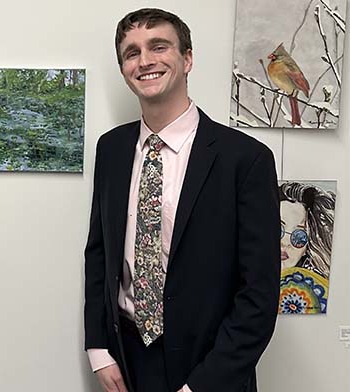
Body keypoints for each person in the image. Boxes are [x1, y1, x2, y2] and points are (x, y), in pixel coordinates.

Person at [84, 8, 280, 392]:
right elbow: (99, 253)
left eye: (159, 47)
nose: (145, 61)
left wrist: (204, 385)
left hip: (210, 367)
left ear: (187, 58)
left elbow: (258, 294)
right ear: (124, 69)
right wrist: (98, 348)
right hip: (126, 358)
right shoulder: (111, 150)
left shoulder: (246, 159)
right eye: (131, 52)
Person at [278, 181, 336, 314]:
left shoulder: (315, 289)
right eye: (277, 228)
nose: (285, 242)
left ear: (308, 247)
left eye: (299, 236)